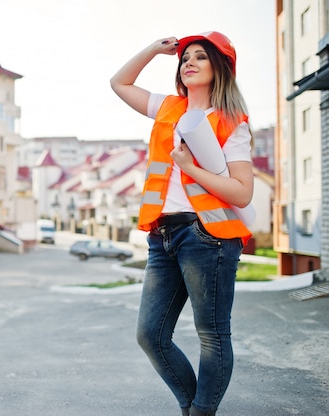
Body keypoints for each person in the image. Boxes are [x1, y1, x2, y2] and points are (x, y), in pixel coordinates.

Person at [110, 32, 254, 416]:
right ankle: (194, 407)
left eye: (200, 57)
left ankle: (200, 412)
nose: (188, 62)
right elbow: (119, 83)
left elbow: (241, 193)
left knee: (212, 335)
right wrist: (154, 50)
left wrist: (190, 167)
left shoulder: (231, 122)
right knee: (150, 335)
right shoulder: (168, 108)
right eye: (185, 57)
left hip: (208, 238)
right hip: (162, 235)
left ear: (218, 68)